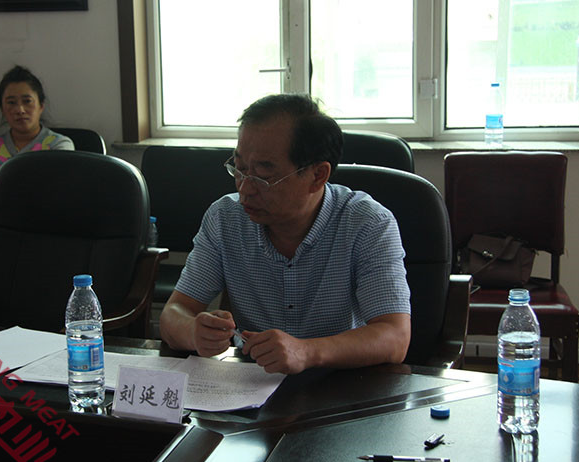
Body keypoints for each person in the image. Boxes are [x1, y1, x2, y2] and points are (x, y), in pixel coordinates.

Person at [159, 94, 411, 375]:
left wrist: (306, 351)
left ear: (318, 175)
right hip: (251, 383)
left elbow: (395, 337)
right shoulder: (225, 218)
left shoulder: (367, 223)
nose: (245, 189)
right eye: (240, 169)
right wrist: (194, 332)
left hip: (341, 382)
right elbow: (174, 313)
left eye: (264, 176)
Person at [0, 65, 74, 237]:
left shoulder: (59, 145)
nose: (20, 110)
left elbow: (52, 198)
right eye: (11, 103)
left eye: (27, 101)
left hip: (38, 235)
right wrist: (25, 204)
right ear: (2, 109)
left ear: (41, 105)